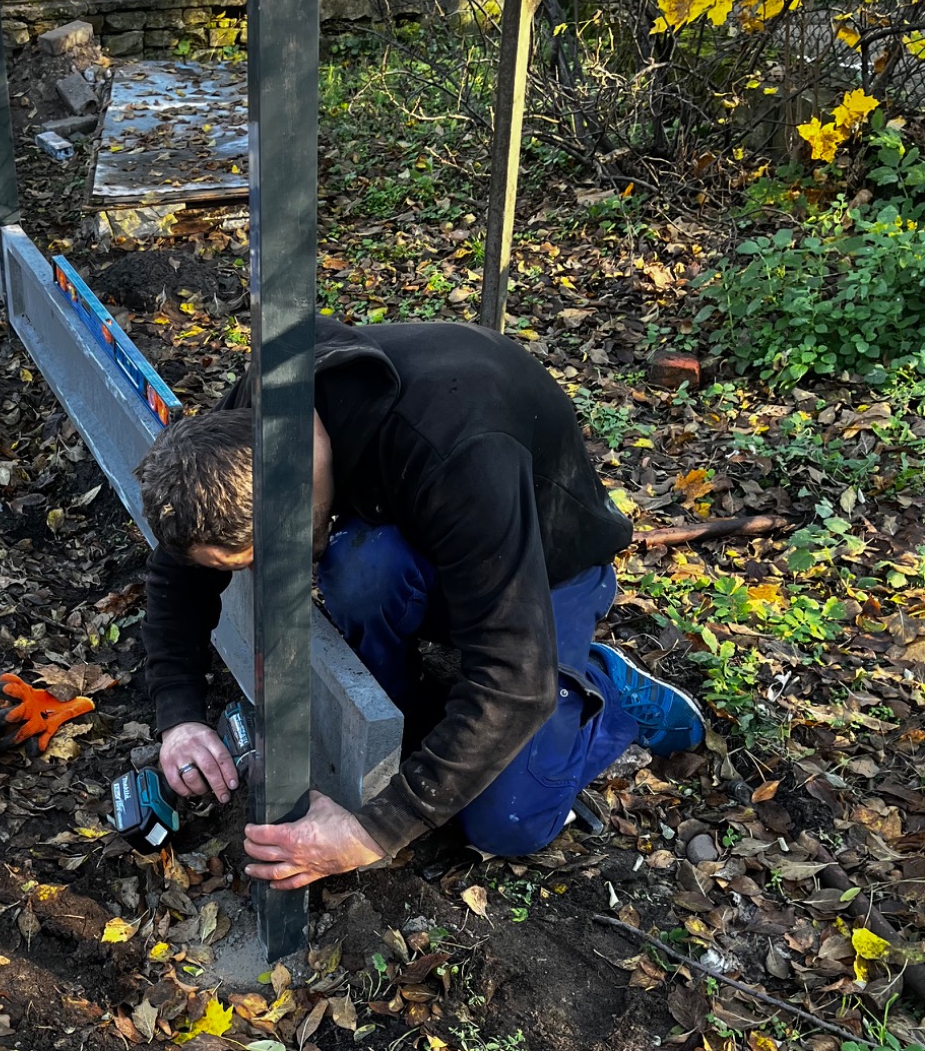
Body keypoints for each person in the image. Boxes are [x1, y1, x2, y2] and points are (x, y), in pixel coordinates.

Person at [135, 316, 704, 892]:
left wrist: (371, 833)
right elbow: (180, 568)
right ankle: (411, 722)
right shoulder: (256, 424)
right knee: (361, 570)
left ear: (287, 501)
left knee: (505, 822)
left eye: (256, 560)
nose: (260, 576)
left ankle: (605, 697)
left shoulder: (458, 453)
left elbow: (512, 679)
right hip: (434, 532)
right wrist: (178, 717)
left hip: (547, 568)